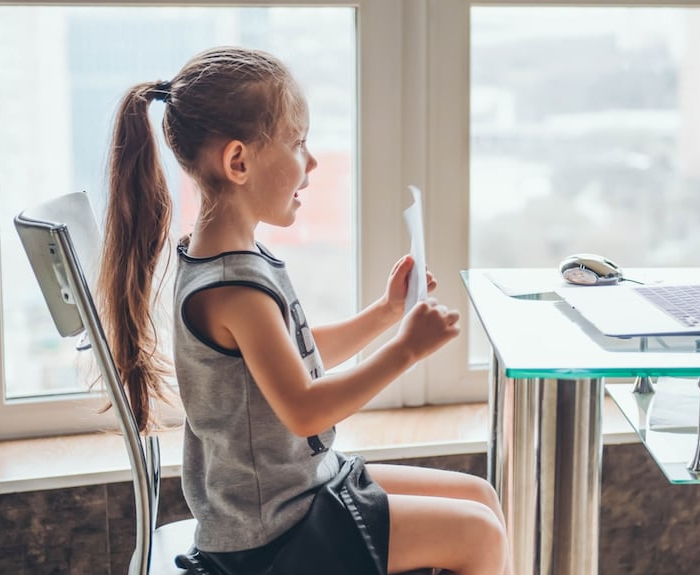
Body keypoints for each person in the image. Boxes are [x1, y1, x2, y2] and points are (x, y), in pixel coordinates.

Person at [97, 46, 511, 575]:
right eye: (298, 143)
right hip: (272, 533)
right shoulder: (231, 287)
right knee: (477, 537)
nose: (311, 162)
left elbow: (291, 354)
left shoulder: (230, 262)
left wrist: (385, 314)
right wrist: (404, 351)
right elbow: (307, 409)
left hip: (300, 491)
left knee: (480, 498)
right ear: (239, 161)